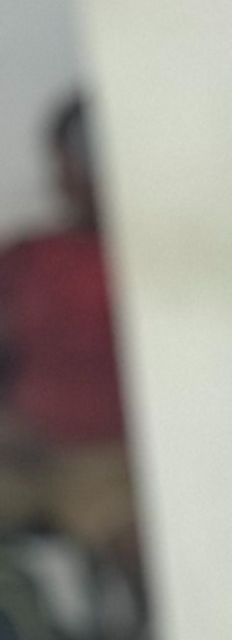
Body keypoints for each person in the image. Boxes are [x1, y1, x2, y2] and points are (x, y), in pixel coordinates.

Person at [0, 93, 137, 566]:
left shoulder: (153, 261)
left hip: (108, 467)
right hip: (22, 447)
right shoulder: (30, 255)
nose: (61, 178)